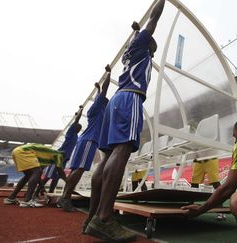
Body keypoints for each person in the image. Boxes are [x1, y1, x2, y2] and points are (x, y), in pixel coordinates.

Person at [84, 1, 166, 241]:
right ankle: (104, 218)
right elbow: (154, 17)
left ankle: (92, 217)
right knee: (122, 150)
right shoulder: (141, 45)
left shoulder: (135, 54)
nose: (154, 46)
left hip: (116, 101)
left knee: (108, 157)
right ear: (145, 41)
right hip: (130, 99)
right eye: (153, 43)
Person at [57, 66, 111, 212]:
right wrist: (108, 73)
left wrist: (98, 89)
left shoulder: (95, 110)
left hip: (84, 141)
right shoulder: (99, 108)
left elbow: (99, 96)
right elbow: (103, 94)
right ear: (102, 103)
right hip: (89, 141)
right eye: (105, 101)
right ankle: (66, 197)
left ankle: (64, 196)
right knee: (80, 170)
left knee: (75, 170)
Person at [34, 107, 83, 198]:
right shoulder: (71, 133)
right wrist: (81, 110)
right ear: (75, 128)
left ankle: (51, 194)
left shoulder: (76, 136)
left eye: (80, 128)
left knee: (56, 177)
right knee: (48, 176)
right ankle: (36, 193)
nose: (80, 129)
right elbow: (76, 120)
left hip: (64, 158)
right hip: (58, 156)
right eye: (79, 127)